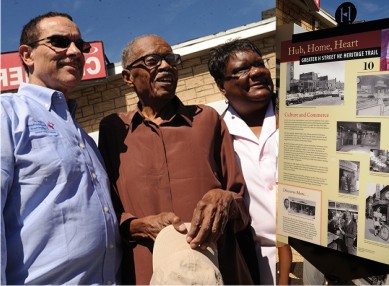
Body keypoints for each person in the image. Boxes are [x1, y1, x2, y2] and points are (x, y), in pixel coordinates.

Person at [98, 35, 257, 285]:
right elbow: (105, 212)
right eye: (152, 60)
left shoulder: (207, 119)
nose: (165, 66)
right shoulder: (114, 130)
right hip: (147, 271)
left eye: (171, 59)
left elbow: (241, 205)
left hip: (219, 269)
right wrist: (137, 225)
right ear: (128, 77)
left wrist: (225, 200)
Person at [1, 12, 121, 284]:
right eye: (59, 41)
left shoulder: (83, 138)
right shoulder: (8, 115)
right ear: (27, 55)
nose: (75, 52)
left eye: (82, 45)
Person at [208, 38, 292, 285]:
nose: (257, 72)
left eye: (260, 64)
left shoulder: (298, 117)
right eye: (243, 70)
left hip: (312, 255)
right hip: (253, 262)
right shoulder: (216, 134)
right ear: (221, 86)